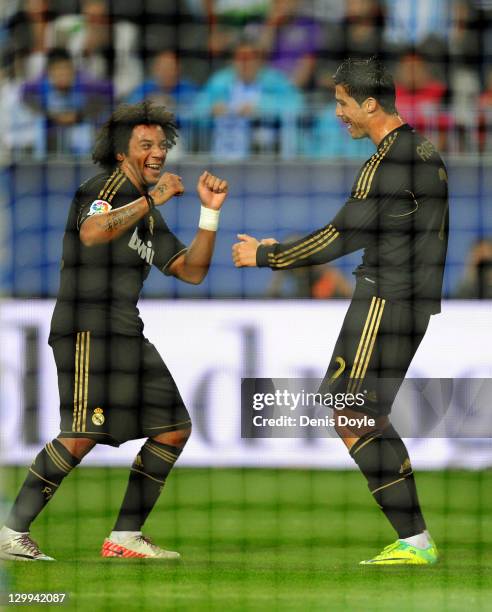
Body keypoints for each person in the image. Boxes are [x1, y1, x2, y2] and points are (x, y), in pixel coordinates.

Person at [232, 57, 449, 565]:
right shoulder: (423, 149)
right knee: (357, 409)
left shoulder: (387, 161)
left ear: (369, 103)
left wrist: (266, 256)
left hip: (385, 299)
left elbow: (339, 234)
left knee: (350, 408)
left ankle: (415, 540)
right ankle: (414, 539)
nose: (338, 114)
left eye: (342, 103)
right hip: (411, 299)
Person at [0, 101, 229, 561]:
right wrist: (153, 198)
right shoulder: (105, 187)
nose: (158, 152)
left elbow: (191, 270)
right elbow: (91, 231)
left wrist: (209, 215)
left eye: (162, 144)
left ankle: (125, 537)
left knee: (173, 429)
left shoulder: (147, 212)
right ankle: (10, 531)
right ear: (122, 152)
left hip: (127, 332)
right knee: (81, 434)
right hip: (87, 328)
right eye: (146, 144)